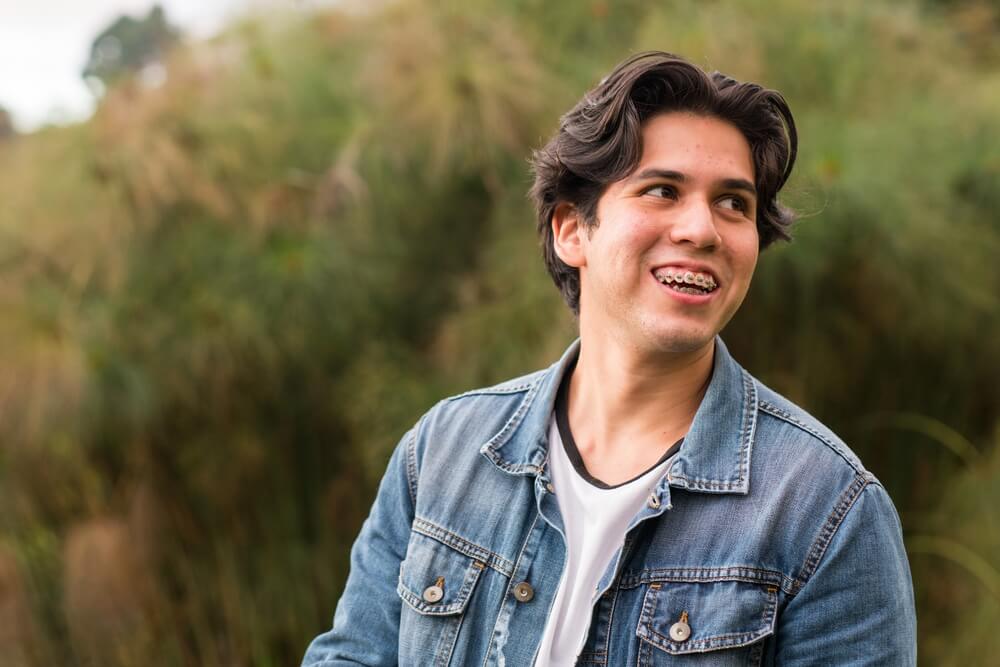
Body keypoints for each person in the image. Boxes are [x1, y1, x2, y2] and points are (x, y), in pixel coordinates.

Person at [302, 51, 917, 666]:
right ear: (572, 230)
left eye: (734, 202)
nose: (702, 229)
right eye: (662, 190)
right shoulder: (444, 452)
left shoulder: (826, 511)